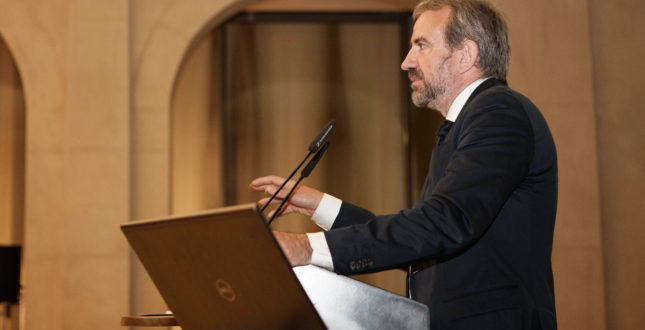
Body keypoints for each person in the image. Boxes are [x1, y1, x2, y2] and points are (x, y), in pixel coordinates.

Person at [250, 0, 557, 329]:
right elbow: (420, 239)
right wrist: (320, 206)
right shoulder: (464, 125)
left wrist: (306, 247)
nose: (406, 62)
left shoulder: (498, 112)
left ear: (466, 54)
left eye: (421, 45)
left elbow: (441, 224)